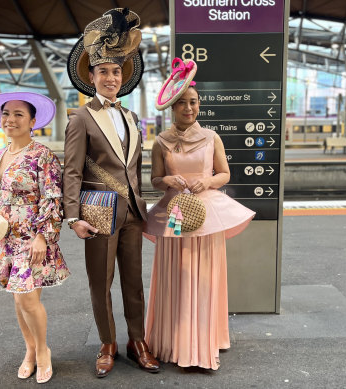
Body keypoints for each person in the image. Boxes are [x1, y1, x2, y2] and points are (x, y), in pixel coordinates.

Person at [63, 8, 160, 378]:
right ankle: (107, 344)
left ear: (123, 77)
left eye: (116, 72)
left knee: (134, 284)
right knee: (100, 283)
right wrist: (73, 217)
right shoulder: (81, 119)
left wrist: (145, 208)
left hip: (133, 213)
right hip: (98, 214)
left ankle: (138, 342)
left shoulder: (132, 118)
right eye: (103, 71)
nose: (110, 77)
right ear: (91, 77)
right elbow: (71, 170)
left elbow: (133, 169)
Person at [143, 59, 256, 370]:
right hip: (175, 215)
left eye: (193, 102)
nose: (188, 108)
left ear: (199, 104)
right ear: (172, 107)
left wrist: (207, 180)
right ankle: (173, 342)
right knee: (176, 274)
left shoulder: (212, 137)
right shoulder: (160, 141)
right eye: (182, 103)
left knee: (203, 277)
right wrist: (166, 180)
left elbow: (224, 175)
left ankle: (204, 341)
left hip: (206, 215)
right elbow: (153, 180)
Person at [0, 92, 69, 384]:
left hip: (31, 238)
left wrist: (43, 237)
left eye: (18, 114)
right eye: (6, 113)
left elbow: (53, 197)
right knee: (19, 300)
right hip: (2, 241)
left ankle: (42, 352)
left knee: (27, 300)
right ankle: (31, 350)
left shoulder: (42, 156)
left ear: (33, 121)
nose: (10, 119)